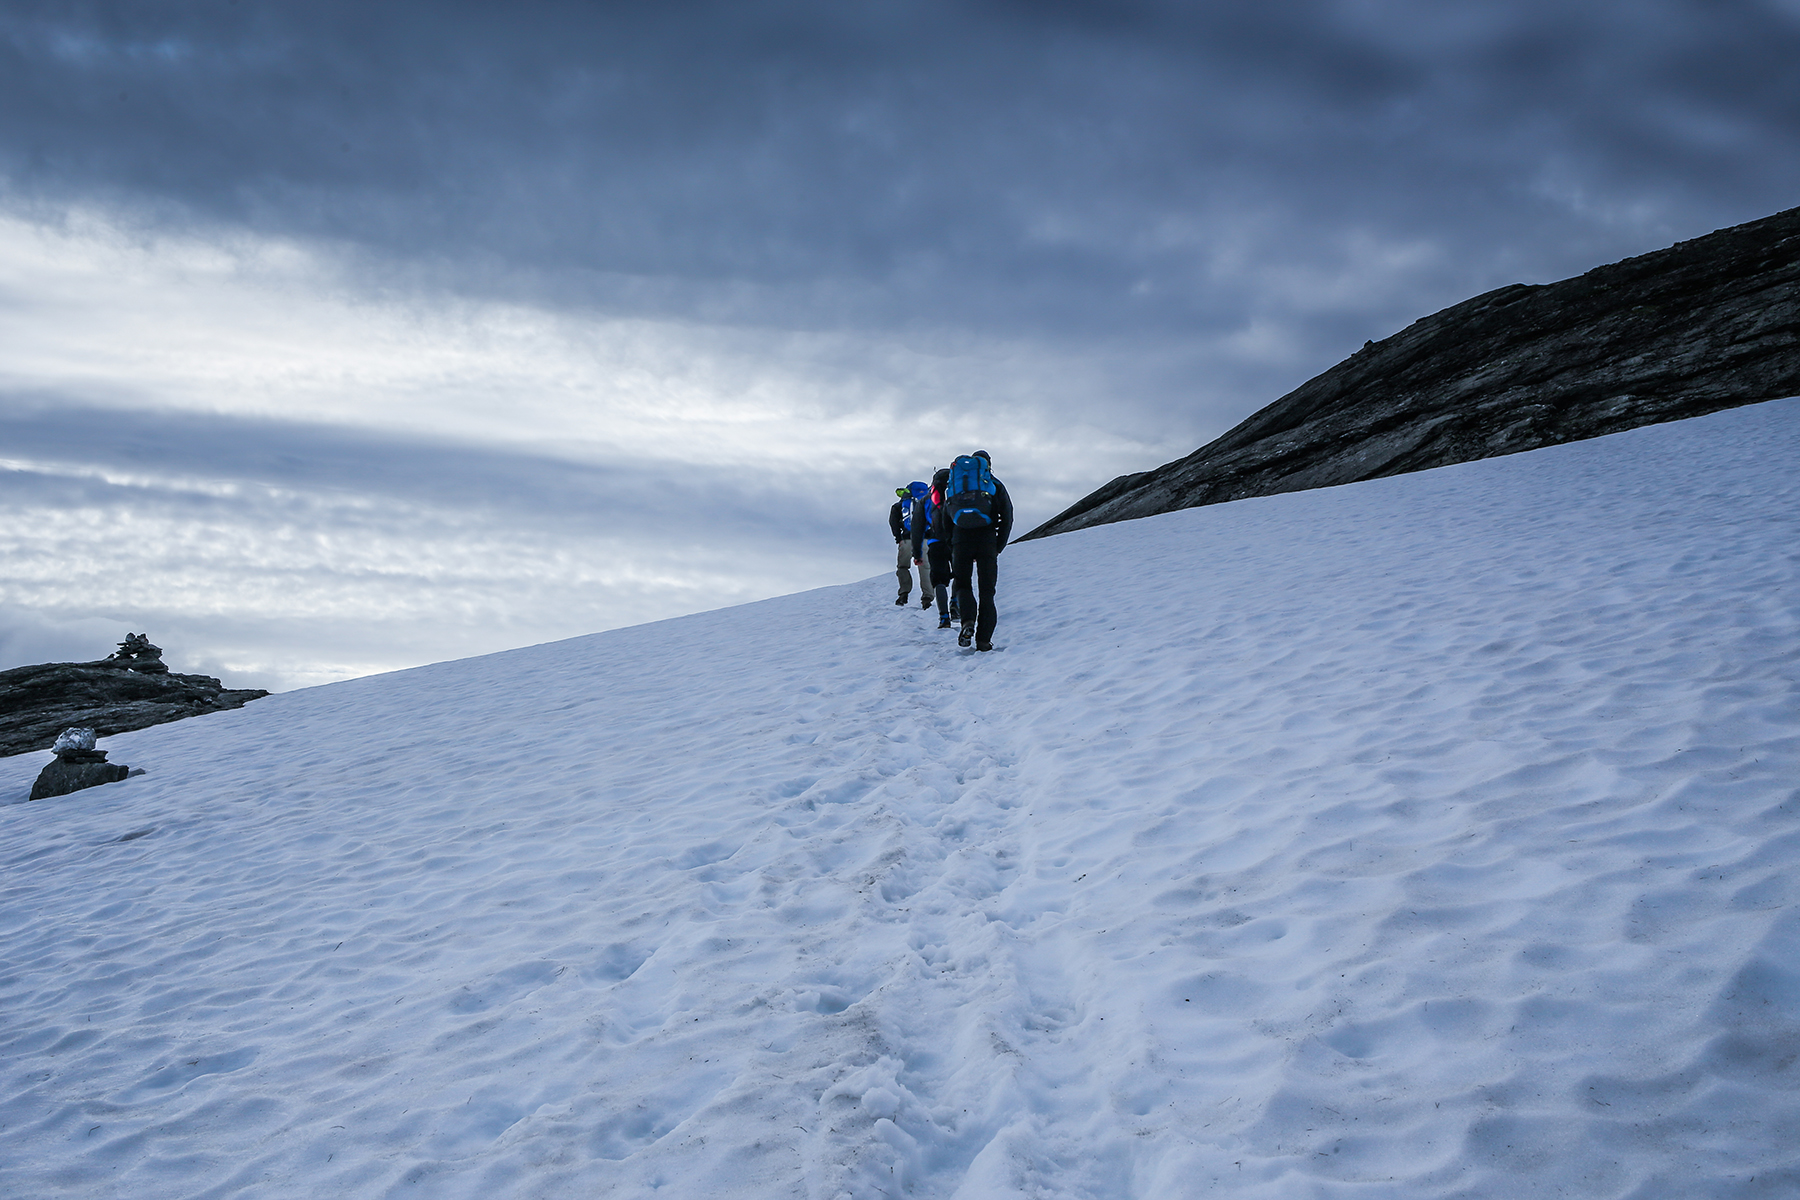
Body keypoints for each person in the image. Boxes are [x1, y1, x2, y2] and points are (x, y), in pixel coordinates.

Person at [946, 450, 1014, 651]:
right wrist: (997, 546)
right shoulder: (994, 485)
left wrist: (952, 545)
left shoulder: (955, 486)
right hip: (986, 540)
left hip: (961, 539)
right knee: (987, 592)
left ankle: (967, 622)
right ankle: (983, 641)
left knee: (963, 585)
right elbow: (1007, 518)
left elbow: (945, 519)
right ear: (988, 465)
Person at [912, 467, 955, 627]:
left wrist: (917, 553)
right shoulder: (957, 495)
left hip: (935, 543)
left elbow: (917, 529)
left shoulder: (926, 500)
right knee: (960, 574)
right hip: (956, 542)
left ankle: (944, 617)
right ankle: (956, 603)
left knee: (939, 581)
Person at [888, 483, 926, 605]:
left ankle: (904, 594)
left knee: (903, 566)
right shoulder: (926, 502)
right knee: (925, 568)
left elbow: (893, 522)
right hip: (924, 539)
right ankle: (927, 598)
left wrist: (898, 538)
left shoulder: (899, 505)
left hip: (906, 540)